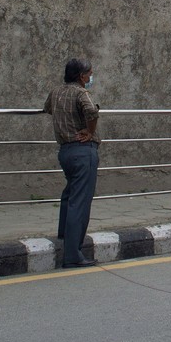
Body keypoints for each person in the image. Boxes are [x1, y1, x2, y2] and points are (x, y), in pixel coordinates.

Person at [44, 58, 100, 267]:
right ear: (81, 76)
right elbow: (92, 112)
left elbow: (48, 108)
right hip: (83, 151)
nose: (91, 77)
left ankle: (64, 237)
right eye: (89, 74)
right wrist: (90, 131)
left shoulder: (56, 92)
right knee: (80, 201)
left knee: (69, 196)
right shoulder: (81, 93)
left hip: (65, 151)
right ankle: (73, 254)